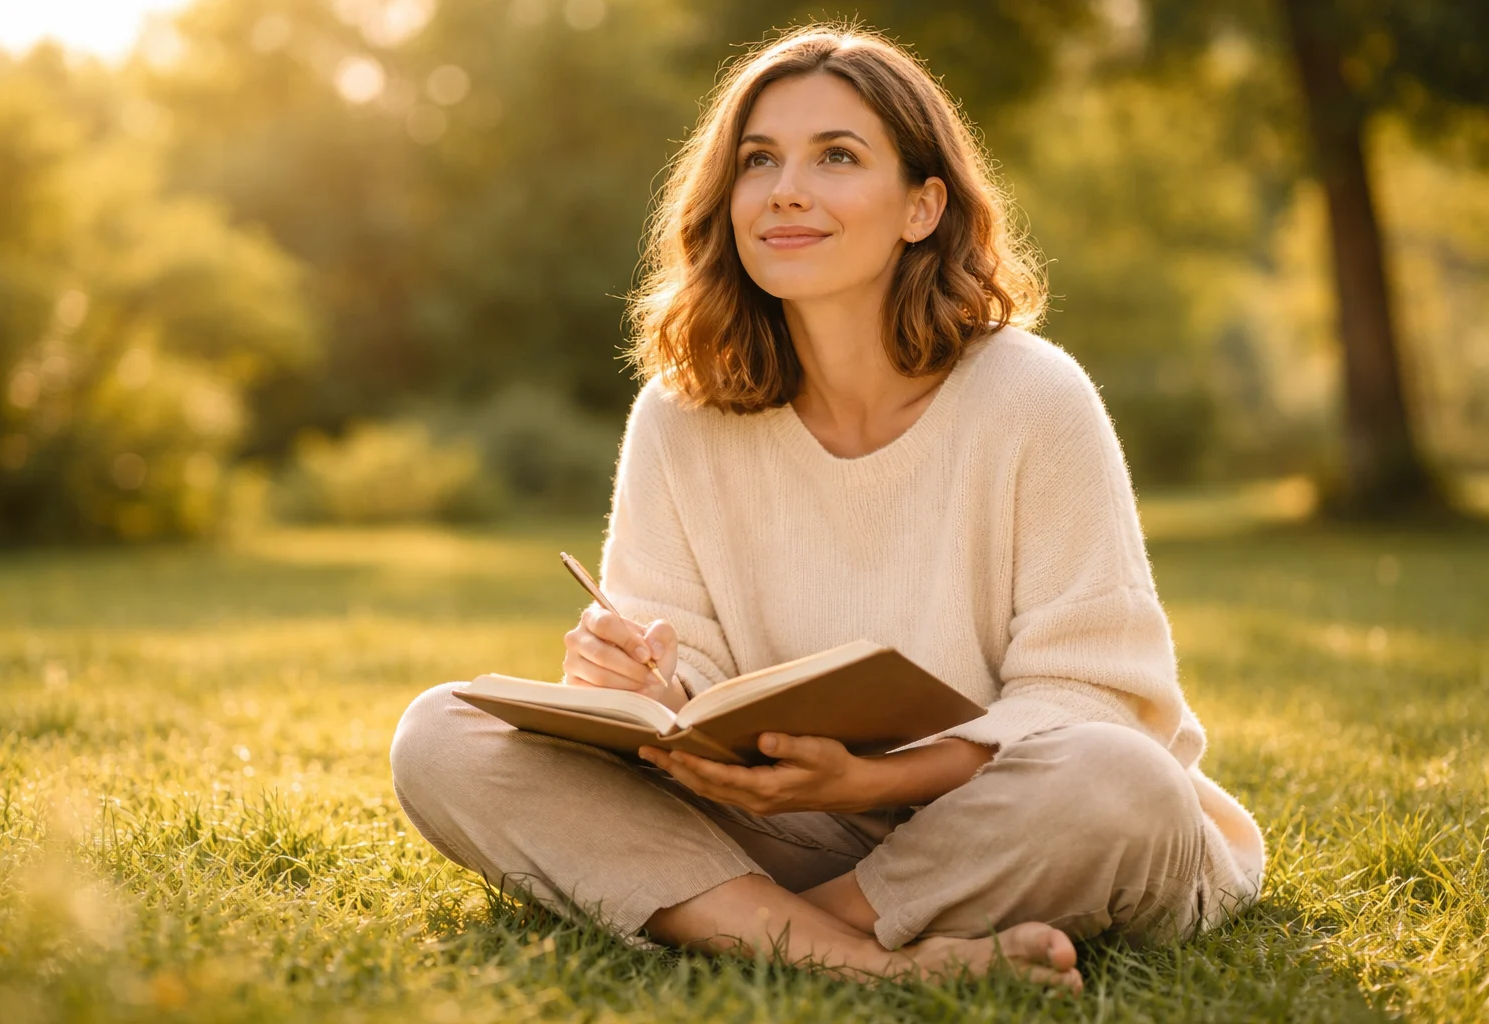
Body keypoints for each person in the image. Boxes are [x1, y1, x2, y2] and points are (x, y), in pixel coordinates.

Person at [390, 24, 1265, 992]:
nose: (785, 190)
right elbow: (690, 692)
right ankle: (872, 963)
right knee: (441, 734)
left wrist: (876, 779)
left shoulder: (1032, 396)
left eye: (836, 157)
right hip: (788, 827)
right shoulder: (681, 415)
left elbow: (1090, 699)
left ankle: (756, 929)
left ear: (923, 207)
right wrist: (638, 680)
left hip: (1006, 818)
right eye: (758, 161)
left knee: (1120, 779)